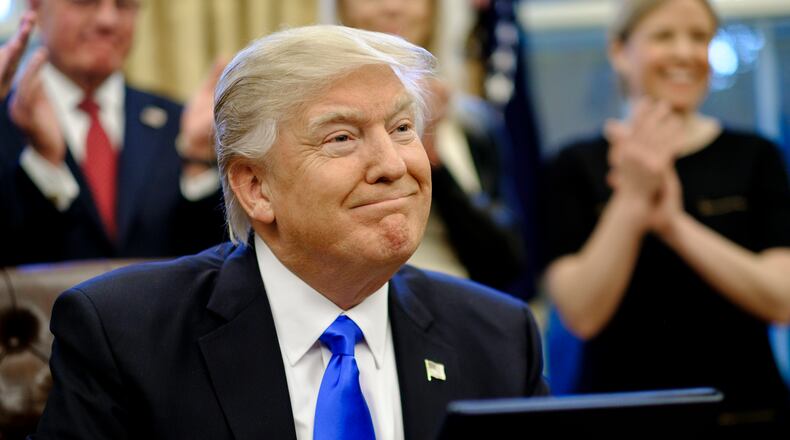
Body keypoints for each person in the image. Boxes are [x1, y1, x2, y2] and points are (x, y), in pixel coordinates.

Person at [32, 25, 548, 439]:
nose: (393, 165)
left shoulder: (499, 338)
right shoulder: (126, 338)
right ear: (255, 187)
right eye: (342, 137)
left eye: (401, 129)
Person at [541, 0, 790, 433]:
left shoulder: (755, 156)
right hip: (618, 415)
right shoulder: (574, 164)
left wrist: (675, 225)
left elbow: (782, 298)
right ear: (620, 51)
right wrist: (633, 199)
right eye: (663, 36)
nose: (684, 53)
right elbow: (581, 313)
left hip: (748, 412)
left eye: (699, 37)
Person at [0, 0, 225, 267]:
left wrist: (199, 160)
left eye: (123, 5)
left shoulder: (180, 124)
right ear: (35, 9)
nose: (108, 21)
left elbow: (209, 264)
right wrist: (45, 163)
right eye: (86, 3)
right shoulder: (7, 120)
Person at [337, 0, 527, 293]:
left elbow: (506, 262)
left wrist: (432, 156)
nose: (392, 7)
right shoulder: (310, 122)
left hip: (459, 309)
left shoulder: (471, 123)